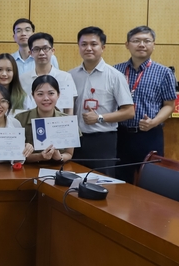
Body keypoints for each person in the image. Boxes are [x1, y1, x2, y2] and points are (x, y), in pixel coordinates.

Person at [113, 26, 177, 184]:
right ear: (127, 44)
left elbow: (169, 104)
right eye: (136, 41)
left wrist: (154, 122)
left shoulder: (164, 73)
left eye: (146, 41)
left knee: (151, 183)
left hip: (150, 136)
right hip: (120, 135)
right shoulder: (116, 71)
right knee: (120, 182)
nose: (141, 44)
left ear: (153, 45)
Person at [69, 27, 134, 175]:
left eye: (94, 44)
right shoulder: (70, 75)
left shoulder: (115, 76)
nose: (88, 48)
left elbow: (129, 112)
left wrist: (99, 118)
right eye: (84, 44)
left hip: (102, 140)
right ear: (78, 47)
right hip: (75, 139)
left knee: (102, 184)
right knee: (72, 182)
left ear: (103, 47)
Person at [15, 75, 76, 163]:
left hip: (58, 169)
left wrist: (59, 157)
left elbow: (69, 153)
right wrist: (40, 156)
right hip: (28, 170)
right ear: (33, 95)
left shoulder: (68, 121)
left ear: (58, 94)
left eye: (51, 93)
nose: (46, 98)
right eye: (40, 94)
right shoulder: (20, 119)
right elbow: (16, 154)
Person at [20, 33, 74, 114]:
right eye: (36, 49)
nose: (41, 53)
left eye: (45, 48)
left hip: (58, 124)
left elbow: (69, 109)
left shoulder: (65, 77)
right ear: (30, 53)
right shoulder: (22, 79)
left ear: (52, 51)